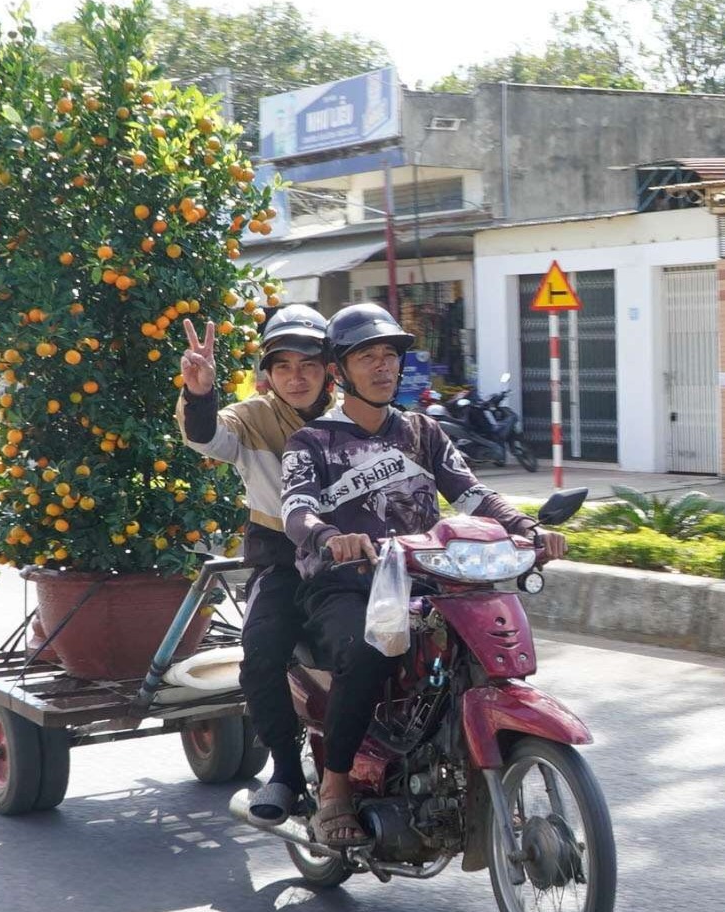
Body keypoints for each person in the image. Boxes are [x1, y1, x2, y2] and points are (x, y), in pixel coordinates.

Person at [280, 304, 567, 847]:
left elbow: (473, 494)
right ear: (339, 371)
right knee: (365, 651)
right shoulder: (312, 442)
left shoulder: (422, 430)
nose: (384, 366)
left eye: (390, 355)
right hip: (345, 582)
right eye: (368, 357)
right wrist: (328, 537)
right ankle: (336, 786)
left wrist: (527, 529)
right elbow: (296, 511)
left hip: (424, 577)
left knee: (476, 641)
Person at [176, 304, 336, 822]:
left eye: (309, 364)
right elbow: (206, 436)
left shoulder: (355, 415)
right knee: (261, 653)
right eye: (283, 366)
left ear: (330, 369)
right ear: (266, 374)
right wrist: (200, 392)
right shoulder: (253, 417)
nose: (297, 377)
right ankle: (287, 775)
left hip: (357, 562)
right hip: (282, 562)